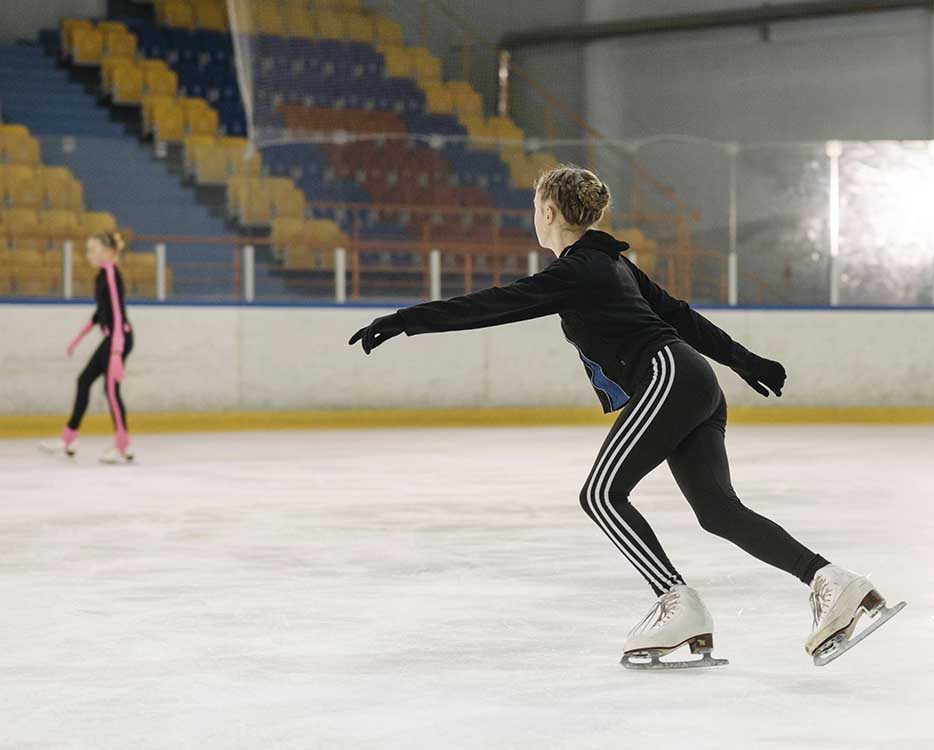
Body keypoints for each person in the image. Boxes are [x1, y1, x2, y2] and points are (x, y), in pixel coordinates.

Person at [349, 166, 902, 668]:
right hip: (693, 383)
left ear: (547, 212)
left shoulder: (581, 269)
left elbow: (495, 303)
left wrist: (406, 319)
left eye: (535, 208)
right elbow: (681, 317)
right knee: (718, 511)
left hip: (666, 378)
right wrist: (740, 361)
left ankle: (676, 602)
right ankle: (833, 581)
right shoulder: (612, 264)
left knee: (601, 494)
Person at [39, 231, 135, 464]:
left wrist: (116, 353)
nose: (88, 254)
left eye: (93, 250)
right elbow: (100, 313)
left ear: (109, 253)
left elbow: (117, 312)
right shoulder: (102, 276)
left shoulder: (111, 274)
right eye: (88, 250)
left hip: (118, 339)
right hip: (112, 339)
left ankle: (123, 446)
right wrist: (78, 339)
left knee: (111, 391)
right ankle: (68, 439)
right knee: (84, 381)